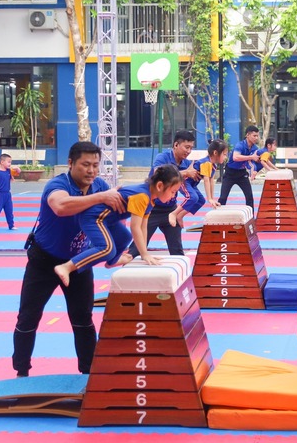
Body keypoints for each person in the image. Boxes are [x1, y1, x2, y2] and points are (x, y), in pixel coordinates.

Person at [12, 141, 126, 378]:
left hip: (78, 263)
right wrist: (100, 197)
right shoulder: (58, 185)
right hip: (44, 261)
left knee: (83, 319)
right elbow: (61, 206)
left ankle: (89, 373)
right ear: (70, 163)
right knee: (28, 317)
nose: (91, 171)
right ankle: (21, 372)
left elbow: (116, 219)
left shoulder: (100, 186)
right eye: (85, 164)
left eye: (95, 165)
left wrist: (116, 252)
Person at [54, 165, 183, 287]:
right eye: (173, 192)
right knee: (106, 248)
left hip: (108, 220)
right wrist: (144, 254)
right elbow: (135, 227)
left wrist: (145, 253)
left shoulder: (151, 200)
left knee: (125, 237)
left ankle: (112, 261)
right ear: (159, 186)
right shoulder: (142, 196)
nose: (174, 196)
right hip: (93, 218)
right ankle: (67, 267)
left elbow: (144, 227)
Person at [127, 130, 198, 258]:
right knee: (137, 248)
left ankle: (179, 271)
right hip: (152, 209)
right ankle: (126, 267)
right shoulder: (163, 157)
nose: (189, 151)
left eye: (191, 148)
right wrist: (185, 173)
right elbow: (158, 174)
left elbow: (192, 189)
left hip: (170, 210)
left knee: (177, 251)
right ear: (176, 145)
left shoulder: (187, 164)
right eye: (186, 147)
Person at [168, 139, 228, 228]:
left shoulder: (213, 165)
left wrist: (212, 198)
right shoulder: (206, 163)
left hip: (192, 184)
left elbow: (211, 180)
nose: (226, 157)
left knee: (201, 200)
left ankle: (180, 215)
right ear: (215, 153)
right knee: (193, 197)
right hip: (184, 181)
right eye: (224, 154)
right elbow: (206, 180)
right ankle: (174, 213)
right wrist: (209, 198)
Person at [218, 125, 259, 209]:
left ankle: (251, 216)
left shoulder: (255, 148)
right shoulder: (240, 145)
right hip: (230, 173)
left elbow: (256, 161)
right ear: (247, 135)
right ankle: (216, 215)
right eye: (254, 136)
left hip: (242, 174)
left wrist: (255, 170)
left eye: (257, 136)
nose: (256, 138)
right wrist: (251, 157)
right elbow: (235, 157)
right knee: (223, 198)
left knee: (249, 197)